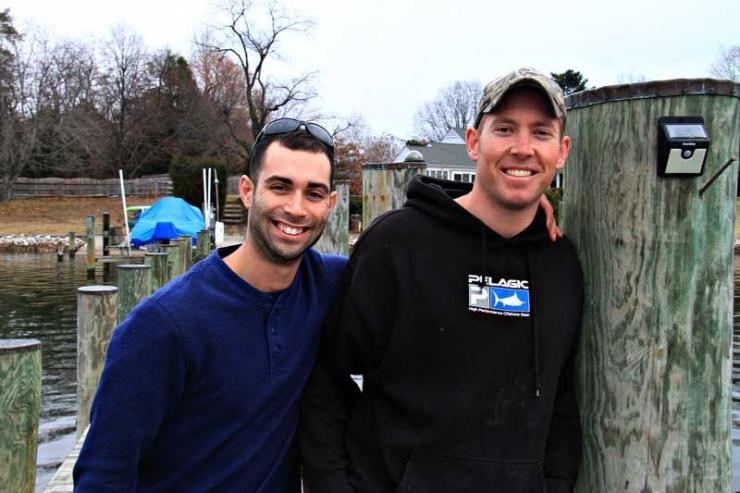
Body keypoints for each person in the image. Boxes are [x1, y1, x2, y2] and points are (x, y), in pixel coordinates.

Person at [299, 67, 583, 493]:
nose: (522, 148)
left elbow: (562, 400)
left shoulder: (562, 265)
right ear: (474, 142)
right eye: (504, 129)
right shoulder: (397, 245)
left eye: (540, 133)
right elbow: (327, 381)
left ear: (561, 152)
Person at [73, 118, 347, 492]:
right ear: (248, 191)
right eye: (280, 187)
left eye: (313, 193)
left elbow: (423, 279)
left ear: (331, 204)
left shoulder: (331, 284)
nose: (296, 208)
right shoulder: (163, 325)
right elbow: (103, 475)